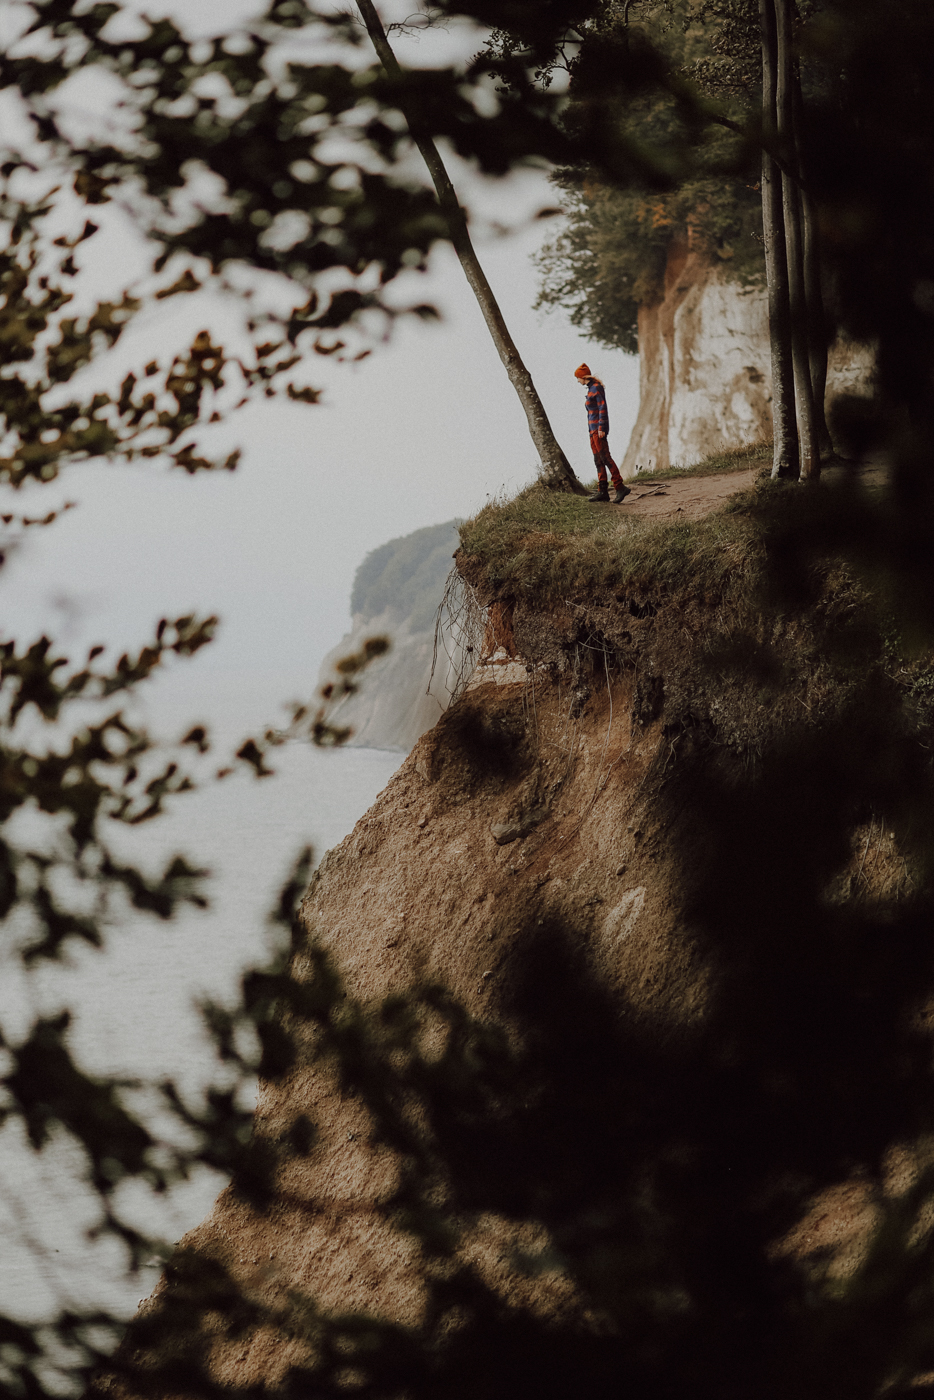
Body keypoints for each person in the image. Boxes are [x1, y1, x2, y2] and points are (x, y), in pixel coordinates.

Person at [574, 363, 630, 503]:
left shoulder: (596, 388)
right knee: (597, 460)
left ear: (583, 377)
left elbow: (602, 409)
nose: (577, 381)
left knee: (605, 458)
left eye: (578, 378)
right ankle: (602, 491)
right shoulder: (590, 389)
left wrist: (601, 428)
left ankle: (620, 487)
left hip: (598, 430)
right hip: (592, 430)